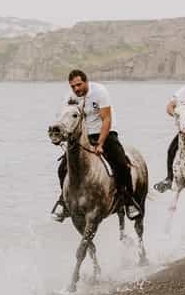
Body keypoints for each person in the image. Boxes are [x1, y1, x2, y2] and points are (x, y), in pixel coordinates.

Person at [51, 69, 142, 221]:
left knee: (121, 164)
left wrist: (100, 144)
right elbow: (66, 119)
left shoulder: (100, 92)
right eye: (73, 86)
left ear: (86, 81)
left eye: (79, 85)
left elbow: (106, 119)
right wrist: (60, 136)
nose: (76, 89)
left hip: (104, 133)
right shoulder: (70, 97)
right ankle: (64, 201)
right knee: (62, 169)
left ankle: (128, 200)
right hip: (82, 137)